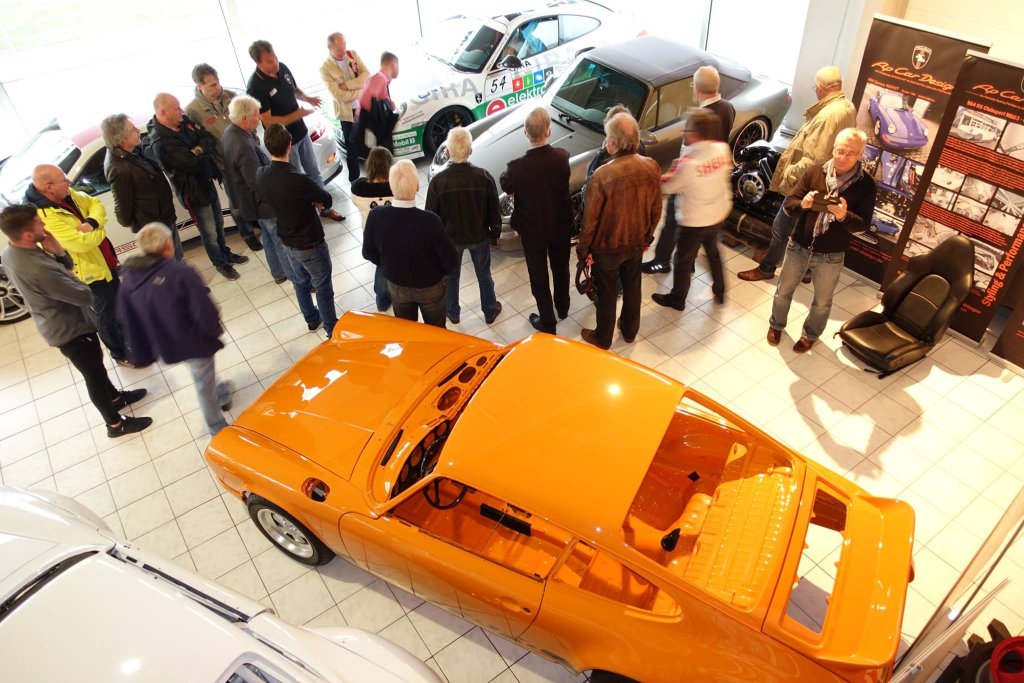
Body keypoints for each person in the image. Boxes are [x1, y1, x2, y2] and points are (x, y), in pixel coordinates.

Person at [1, 204, 152, 438]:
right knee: (94, 377)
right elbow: (84, 294)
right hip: (71, 330)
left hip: (57, 322)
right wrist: (63, 259)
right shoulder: (37, 269)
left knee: (97, 369)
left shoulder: (10, 253)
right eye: (39, 223)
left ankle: (115, 398)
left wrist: (58, 254)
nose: (44, 224)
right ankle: (115, 425)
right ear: (28, 234)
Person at [739, 65, 857, 282]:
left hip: (808, 184)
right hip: (828, 183)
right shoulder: (847, 107)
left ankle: (767, 268)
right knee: (809, 229)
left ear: (820, 88)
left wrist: (790, 174)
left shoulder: (826, 115)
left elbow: (813, 158)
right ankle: (806, 272)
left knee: (781, 226)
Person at [117, 223, 234, 436]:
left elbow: (125, 316)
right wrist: (214, 331)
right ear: (168, 245)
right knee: (203, 382)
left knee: (203, 374)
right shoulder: (181, 273)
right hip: (193, 341)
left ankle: (223, 393)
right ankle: (216, 427)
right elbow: (202, 308)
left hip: (164, 343)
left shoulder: (130, 278)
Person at [767, 128, 876, 353]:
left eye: (851, 153)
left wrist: (843, 215)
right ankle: (776, 325)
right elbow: (789, 205)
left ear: (860, 154)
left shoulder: (866, 184)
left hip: (831, 254)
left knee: (822, 301)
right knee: (783, 290)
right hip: (799, 245)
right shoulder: (815, 171)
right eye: (840, 151)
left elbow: (862, 225)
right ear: (833, 148)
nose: (843, 157)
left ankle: (810, 335)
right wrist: (803, 204)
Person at [25, 164, 129, 365]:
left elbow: (95, 204)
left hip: (105, 261)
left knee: (118, 304)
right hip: (89, 273)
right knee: (105, 315)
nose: (70, 182)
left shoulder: (66, 194)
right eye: (64, 179)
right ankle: (120, 353)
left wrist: (91, 223)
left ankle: (127, 339)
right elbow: (81, 244)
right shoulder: (43, 217)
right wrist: (101, 229)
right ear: (48, 187)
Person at [577, 113, 662, 350]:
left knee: (606, 295)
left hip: (607, 249)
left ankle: (603, 338)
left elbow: (590, 221)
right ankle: (629, 331)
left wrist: (584, 250)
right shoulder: (651, 166)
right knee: (633, 289)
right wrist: (647, 237)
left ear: (613, 142)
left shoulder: (602, 175)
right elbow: (656, 209)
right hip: (636, 243)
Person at [644, 65, 735, 274]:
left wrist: (670, 177)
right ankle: (690, 260)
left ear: (697, 88)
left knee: (671, 222)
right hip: (713, 178)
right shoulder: (728, 108)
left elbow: (688, 155)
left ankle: (662, 261)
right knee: (699, 232)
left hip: (692, 179)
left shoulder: (699, 118)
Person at [147, 93, 248, 280]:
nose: (181, 111)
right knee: (209, 231)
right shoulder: (160, 142)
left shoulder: (183, 121)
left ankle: (225, 253)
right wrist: (199, 151)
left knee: (218, 223)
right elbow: (191, 164)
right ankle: (220, 263)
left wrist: (197, 149)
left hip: (206, 181)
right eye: (176, 108)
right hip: (193, 192)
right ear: (163, 112)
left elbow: (207, 139)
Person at [246, 39, 345, 222]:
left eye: (275, 58)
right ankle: (306, 215)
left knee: (314, 172)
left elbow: (295, 89)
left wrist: (308, 98)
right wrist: (298, 114)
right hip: (284, 141)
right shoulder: (255, 87)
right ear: (258, 63)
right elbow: (268, 121)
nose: (275, 64)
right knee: (296, 180)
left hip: (301, 132)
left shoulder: (282, 68)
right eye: (269, 62)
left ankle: (325, 208)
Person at [255, 124, 338, 336]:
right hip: (310, 242)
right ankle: (331, 328)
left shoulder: (262, 174)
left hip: (287, 241)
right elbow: (326, 199)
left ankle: (312, 319)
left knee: (300, 283)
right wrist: (313, 202)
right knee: (323, 287)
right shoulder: (299, 180)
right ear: (290, 145)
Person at [650, 110, 732, 311]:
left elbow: (668, 188)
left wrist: (669, 171)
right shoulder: (722, 148)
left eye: (686, 129)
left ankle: (677, 299)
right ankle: (720, 289)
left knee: (682, 260)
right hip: (717, 214)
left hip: (694, 221)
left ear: (694, 134)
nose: (684, 132)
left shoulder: (688, 163)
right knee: (713, 253)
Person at [499, 107, 571, 334]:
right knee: (561, 268)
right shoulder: (562, 157)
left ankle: (548, 322)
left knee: (538, 276)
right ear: (549, 131)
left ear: (525, 133)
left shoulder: (517, 167)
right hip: (560, 225)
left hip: (533, 229)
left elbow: (506, 184)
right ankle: (563, 307)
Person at [363, 160, 459, 328]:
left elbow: (368, 252)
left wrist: (387, 263)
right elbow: (450, 260)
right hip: (430, 286)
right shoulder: (430, 221)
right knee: (436, 330)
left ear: (391, 186)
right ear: (417, 187)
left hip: (397, 284)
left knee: (407, 331)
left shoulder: (376, 216)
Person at [425, 127, 502, 326]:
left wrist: (434, 244)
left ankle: (453, 312)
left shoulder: (438, 181)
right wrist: (495, 233)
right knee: (484, 275)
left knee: (451, 277)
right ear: (470, 151)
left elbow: (431, 216)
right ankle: (490, 311)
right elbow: (494, 210)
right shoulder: (484, 177)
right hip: (479, 236)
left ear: (448, 151)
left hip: (450, 240)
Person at [187, 62, 263, 253]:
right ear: (199, 86)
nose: (218, 87)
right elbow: (200, 140)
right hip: (225, 165)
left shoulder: (231, 97)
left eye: (218, 82)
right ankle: (246, 232)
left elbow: (249, 120)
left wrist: (254, 143)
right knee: (236, 201)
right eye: (212, 85)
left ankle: (259, 222)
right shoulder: (193, 111)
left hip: (248, 155)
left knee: (256, 190)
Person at [221, 95, 292, 284]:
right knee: (280, 240)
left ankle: (278, 273)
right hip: (262, 203)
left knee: (268, 237)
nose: (259, 118)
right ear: (245, 118)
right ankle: (296, 278)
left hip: (251, 202)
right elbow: (256, 181)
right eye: (256, 115)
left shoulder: (231, 132)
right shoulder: (242, 144)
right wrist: (274, 201)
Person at [101, 113, 183, 260]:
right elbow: (123, 201)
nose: (138, 130)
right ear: (122, 137)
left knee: (177, 255)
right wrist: (124, 220)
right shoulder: (119, 167)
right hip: (152, 223)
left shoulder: (132, 151)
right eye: (133, 129)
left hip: (163, 216)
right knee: (169, 261)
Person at [350, 147, 394, 311]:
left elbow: (355, 201)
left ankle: (382, 301)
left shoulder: (358, 188)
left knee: (382, 264)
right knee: (386, 267)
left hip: (372, 236)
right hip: (393, 234)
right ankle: (387, 294)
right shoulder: (394, 187)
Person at [320, 32, 368, 182]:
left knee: (370, 141)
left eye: (344, 46)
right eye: (339, 49)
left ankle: (376, 174)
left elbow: (366, 75)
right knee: (351, 146)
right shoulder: (325, 69)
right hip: (347, 113)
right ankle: (354, 180)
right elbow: (338, 96)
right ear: (329, 48)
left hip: (364, 107)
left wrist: (347, 85)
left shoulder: (352, 55)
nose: (343, 51)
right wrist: (360, 90)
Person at [352, 52, 401, 156]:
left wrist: (388, 103)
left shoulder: (378, 77)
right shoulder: (380, 78)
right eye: (398, 65)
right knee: (382, 157)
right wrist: (377, 125)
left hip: (375, 136)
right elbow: (365, 100)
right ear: (394, 64)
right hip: (378, 137)